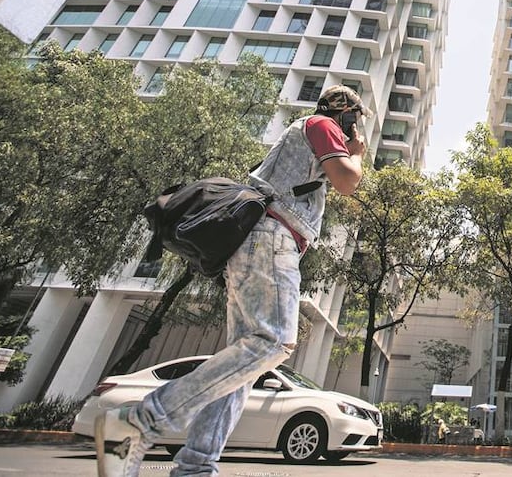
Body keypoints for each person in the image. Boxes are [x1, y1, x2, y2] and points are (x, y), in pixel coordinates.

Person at [94, 85, 369, 477]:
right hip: (272, 239)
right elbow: (346, 180)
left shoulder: (301, 133)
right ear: (345, 112)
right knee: (272, 342)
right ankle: (140, 419)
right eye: (355, 120)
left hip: (258, 242)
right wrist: (355, 155)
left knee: (245, 364)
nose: (355, 128)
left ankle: (195, 466)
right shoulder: (322, 124)